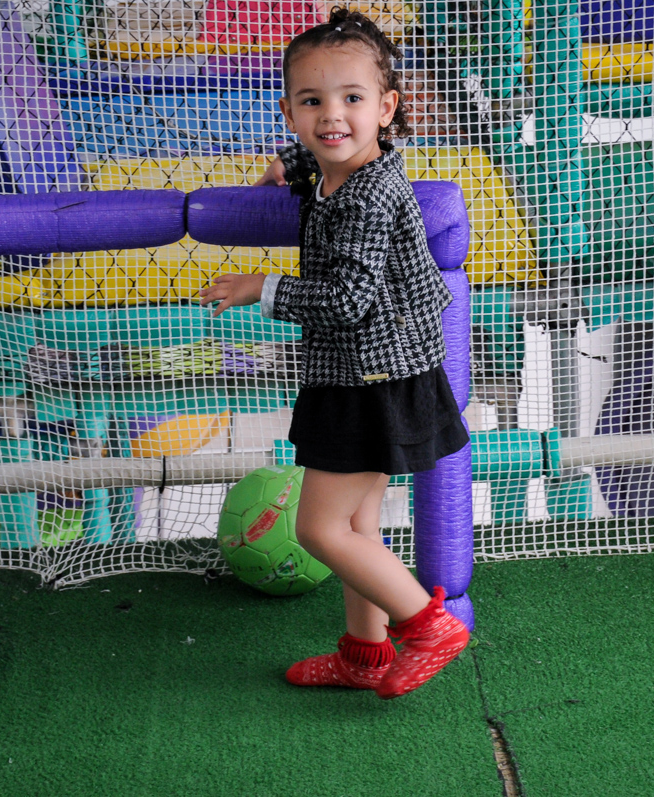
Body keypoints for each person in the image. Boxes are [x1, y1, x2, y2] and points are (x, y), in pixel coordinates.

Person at [198, 8, 470, 700]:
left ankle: (426, 624)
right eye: (312, 102)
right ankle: (363, 656)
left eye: (352, 99)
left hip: (373, 377)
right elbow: (323, 148)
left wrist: (261, 287)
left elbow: (348, 298)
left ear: (388, 108)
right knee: (356, 523)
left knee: (320, 527)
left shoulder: (367, 198)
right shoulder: (337, 166)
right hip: (367, 371)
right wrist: (283, 164)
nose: (332, 117)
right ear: (288, 111)